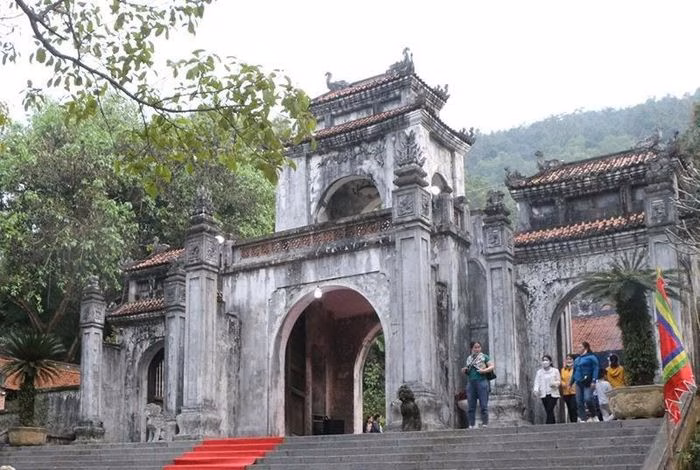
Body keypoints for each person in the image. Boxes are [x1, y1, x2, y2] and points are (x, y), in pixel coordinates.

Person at [460, 341, 494, 428]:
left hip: (482, 381)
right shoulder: (469, 359)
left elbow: (491, 366)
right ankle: (471, 424)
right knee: (471, 405)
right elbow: (469, 371)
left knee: (483, 405)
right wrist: (465, 370)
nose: (477, 349)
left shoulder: (484, 357)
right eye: (475, 347)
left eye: (479, 347)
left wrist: (484, 371)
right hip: (471, 383)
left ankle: (485, 423)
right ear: (472, 348)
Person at [570, 341, 600, 422]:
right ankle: (583, 418)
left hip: (588, 381)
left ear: (585, 348)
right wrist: (571, 383)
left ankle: (594, 414)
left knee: (588, 398)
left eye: (580, 347)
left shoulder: (591, 357)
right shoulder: (577, 359)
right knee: (579, 401)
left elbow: (596, 369)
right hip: (578, 382)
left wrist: (594, 380)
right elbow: (574, 372)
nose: (578, 349)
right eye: (578, 347)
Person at [533, 354, 561, 424]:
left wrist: (554, 384)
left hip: (553, 393)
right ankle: (553, 424)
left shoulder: (555, 371)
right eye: (543, 360)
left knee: (549, 409)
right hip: (544, 394)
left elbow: (559, 381)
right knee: (548, 411)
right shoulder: (539, 372)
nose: (544, 362)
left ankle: (547, 425)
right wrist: (536, 390)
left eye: (546, 360)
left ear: (550, 362)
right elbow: (537, 382)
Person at [559, 353, 578, 423]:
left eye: (570, 359)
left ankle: (575, 421)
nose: (569, 361)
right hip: (566, 392)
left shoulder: (576, 369)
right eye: (567, 359)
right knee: (569, 408)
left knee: (573, 407)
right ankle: (572, 422)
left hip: (574, 391)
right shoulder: (563, 370)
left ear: (573, 360)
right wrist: (563, 383)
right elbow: (560, 379)